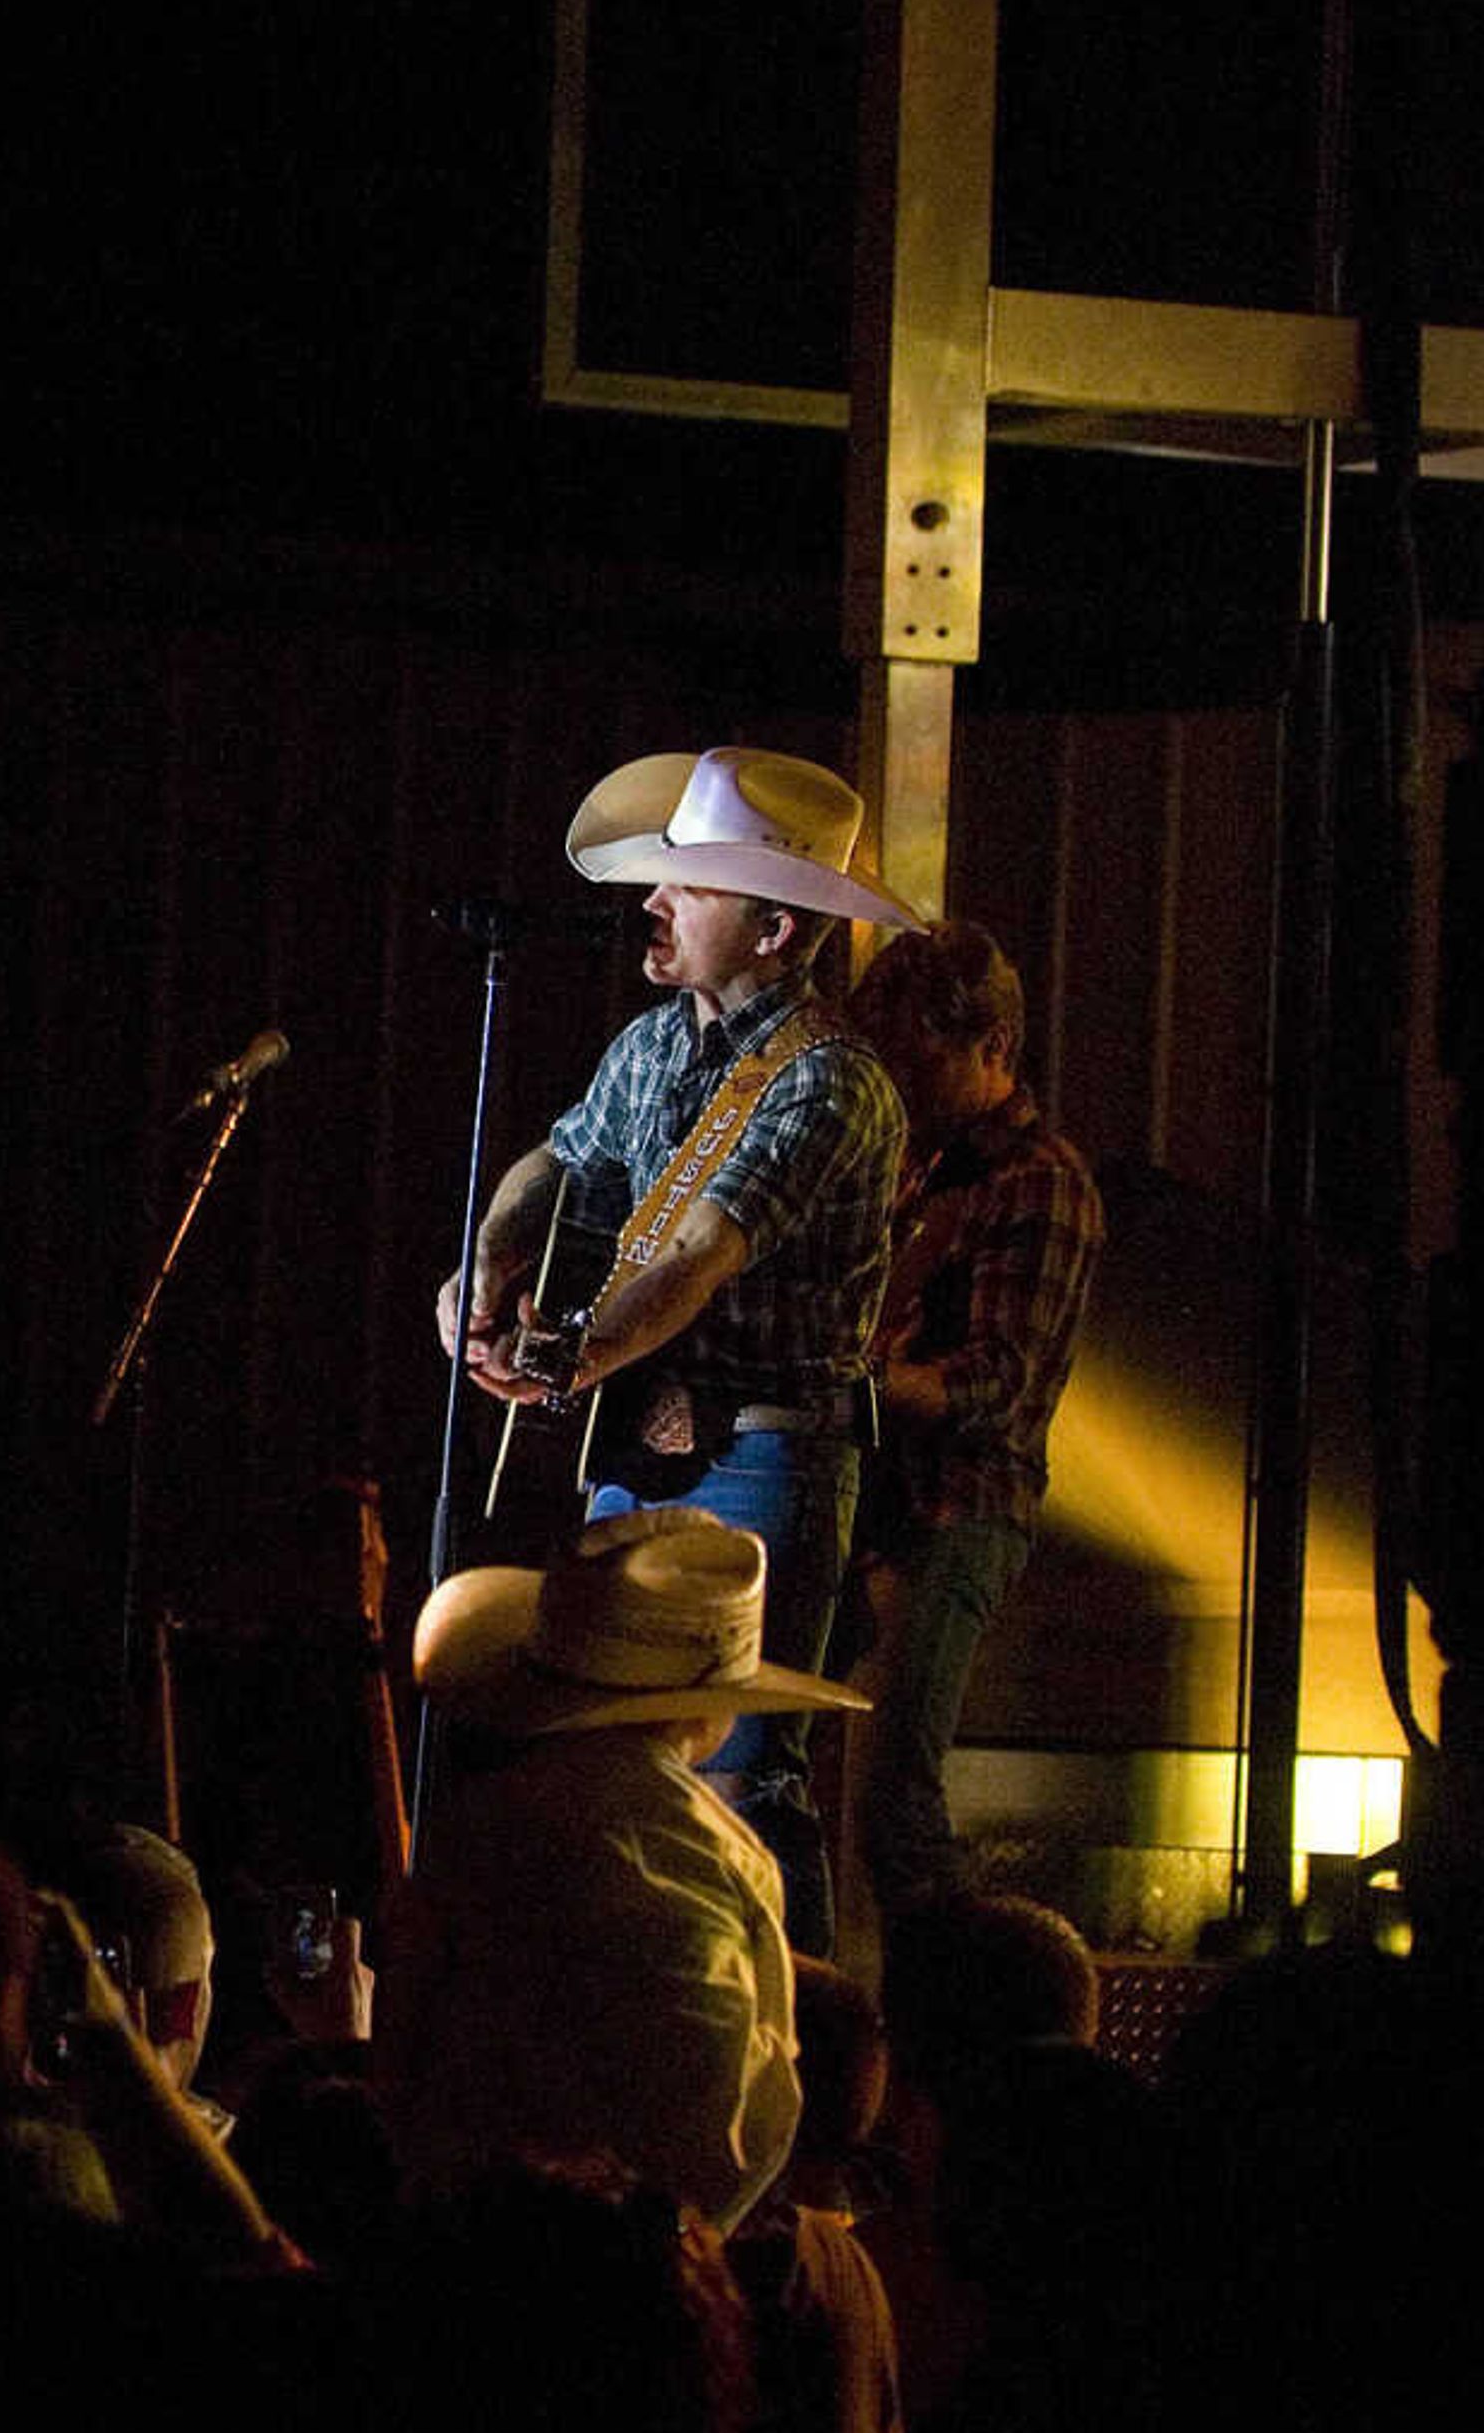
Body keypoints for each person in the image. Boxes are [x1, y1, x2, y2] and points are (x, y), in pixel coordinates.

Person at [437, 745, 917, 1944]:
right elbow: (562, 1161)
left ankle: (804, 2027)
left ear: (771, 927)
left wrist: (565, 1358)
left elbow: (697, 1252)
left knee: (748, 1776)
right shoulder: (652, 1046)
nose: (653, 901)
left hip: (767, 1457)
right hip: (642, 1446)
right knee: (626, 1763)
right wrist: (489, 1258)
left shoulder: (832, 1082)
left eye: (687, 885)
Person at [392, 1505, 874, 2232]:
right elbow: (738, 2131)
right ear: (709, 1708)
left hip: (459, 2242)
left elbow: (409, 2052)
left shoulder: (473, 1824)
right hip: (638, 2266)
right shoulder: (718, 1852)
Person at [834, 920, 1103, 1926]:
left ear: (995, 1046)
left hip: (957, 1510)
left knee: (898, 1804)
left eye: (920, 1056)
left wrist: (847, 1376)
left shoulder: (1042, 1179)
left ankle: (959, 2028)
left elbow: (995, 1385)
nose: (899, 1079)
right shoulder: (923, 1171)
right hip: (882, 1500)